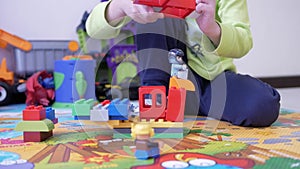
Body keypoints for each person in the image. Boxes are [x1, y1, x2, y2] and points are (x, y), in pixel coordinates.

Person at [85, 0, 281, 127]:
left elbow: (243, 41)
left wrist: (212, 28)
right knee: (157, 15)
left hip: (211, 82)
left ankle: (186, 105)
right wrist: (119, 6)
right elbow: (93, 28)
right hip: (164, 82)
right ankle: (157, 97)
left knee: (263, 104)